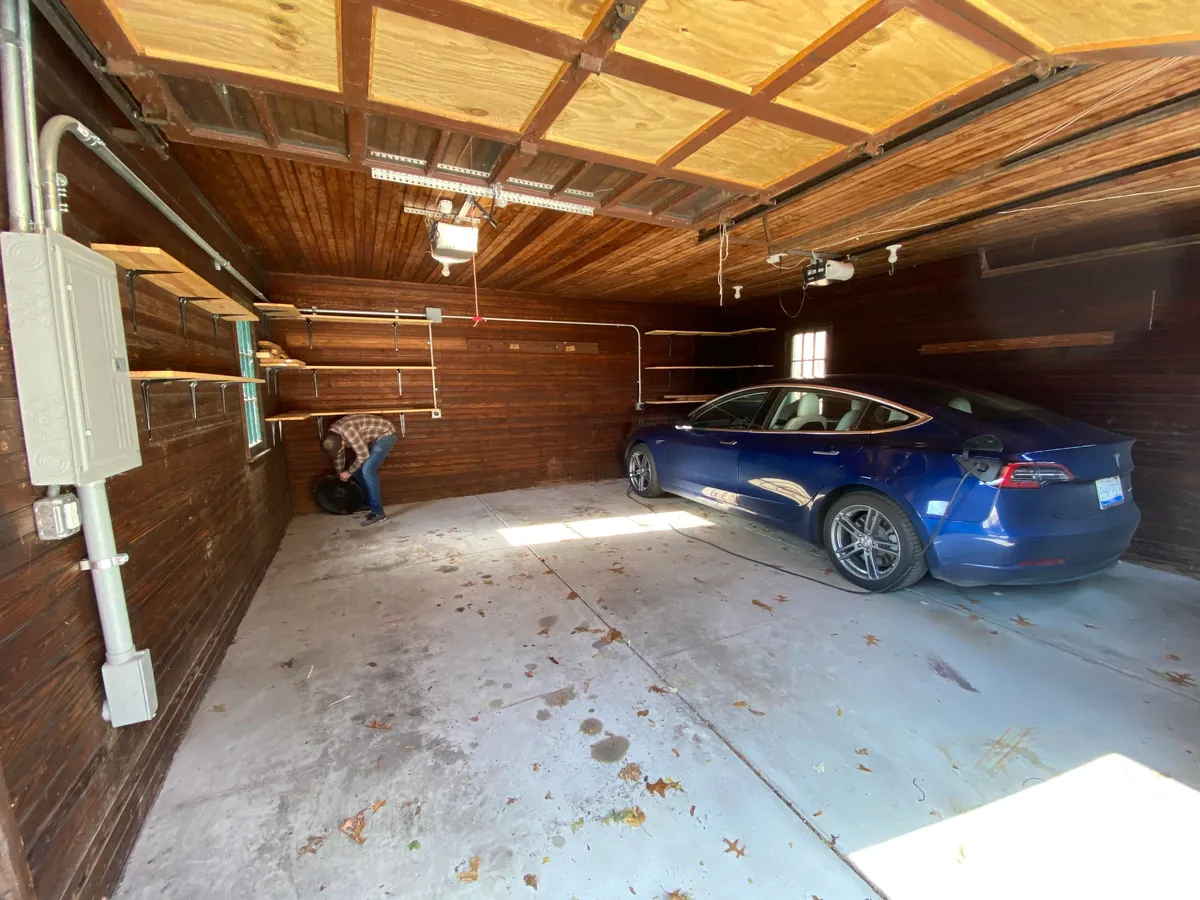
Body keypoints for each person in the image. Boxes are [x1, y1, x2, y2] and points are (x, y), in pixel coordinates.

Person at [320, 414, 397, 526]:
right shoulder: (333, 436)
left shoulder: (348, 432)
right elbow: (339, 456)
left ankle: (378, 512)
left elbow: (363, 455)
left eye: (341, 447)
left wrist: (348, 472)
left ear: (342, 442)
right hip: (373, 438)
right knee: (356, 469)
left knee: (367, 471)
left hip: (385, 435)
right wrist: (340, 474)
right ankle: (368, 503)